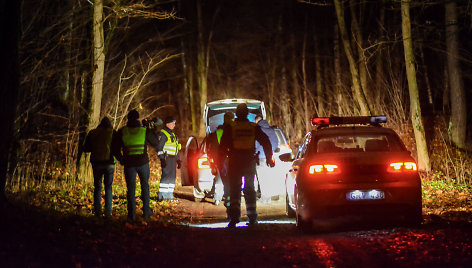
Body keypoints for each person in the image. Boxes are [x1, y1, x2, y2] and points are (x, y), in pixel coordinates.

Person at [218, 103, 274, 228]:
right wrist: (269, 158)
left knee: (234, 189)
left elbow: (222, 147)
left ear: (236, 114)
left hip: (234, 162)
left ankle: (234, 218)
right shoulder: (252, 127)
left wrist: (220, 162)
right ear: (247, 113)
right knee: (249, 189)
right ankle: (252, 217)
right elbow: (266, 141)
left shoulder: (230, 127)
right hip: (249, 161)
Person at [112, 109, 159, 222]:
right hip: (143, 163)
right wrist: (153, 130)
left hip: (129, 165)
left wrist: (122, 160)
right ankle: (146, 213)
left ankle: (131, 216)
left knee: (131, 190)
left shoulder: (122, 131)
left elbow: (114, 148)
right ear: (138, 118)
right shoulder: (144, 130)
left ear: (128, 118)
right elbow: (156, 143)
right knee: (145, 187)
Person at [83, 116, 116, 218]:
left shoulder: (93, 133)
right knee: (108, 187)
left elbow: (86, 148)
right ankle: (108, 212)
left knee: (97, 187)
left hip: (96, 163)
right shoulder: (112, 132)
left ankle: (97, 211)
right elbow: (117, 147)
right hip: (109, 163)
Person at [207, 111, 234, 207]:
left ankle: (217, 199)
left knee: (220, 180)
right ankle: (229, 199)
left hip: (221, 159)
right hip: (232, 160)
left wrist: (214, 161)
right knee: (231, 181)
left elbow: (213, 148)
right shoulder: (235, 130)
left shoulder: (217, 132)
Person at [254, 114, 279, 203]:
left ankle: (265, 198)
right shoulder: (271, 130)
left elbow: (255, 144)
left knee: (262, 178)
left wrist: (255, 151)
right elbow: (276, 143)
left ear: (257, 121)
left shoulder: (258, 130)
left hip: (260, 157)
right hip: (270, 157)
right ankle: (268, 197)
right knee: (268, 177)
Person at [156, 116, 182, 201]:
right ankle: (162, 196)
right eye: (173, 123)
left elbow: (175, 148)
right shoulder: (163, 134)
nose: (174, 125)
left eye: (174, 123)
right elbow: (159, 148)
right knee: (166, 177)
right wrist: (162, 159)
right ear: (168, 124)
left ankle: (169, 196)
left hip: (173, 159)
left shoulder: (173, 134)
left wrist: (178, 159)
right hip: (166, 158)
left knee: (172, 177)